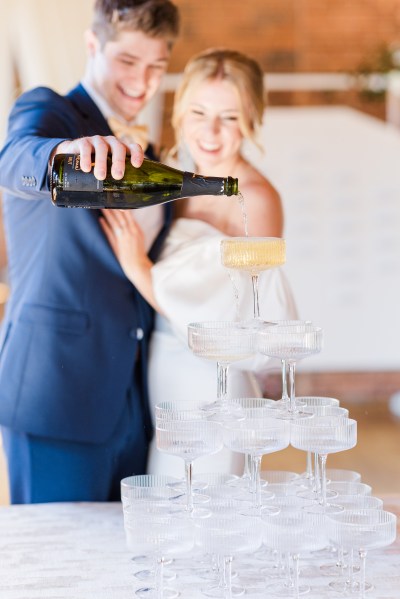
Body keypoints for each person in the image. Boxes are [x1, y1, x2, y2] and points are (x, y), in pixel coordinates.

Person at [0, 0, 180, 504]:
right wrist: (62, 155)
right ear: (92, 44)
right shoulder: (51, 112)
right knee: (57, 572)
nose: (142, 83)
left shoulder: (154, 158)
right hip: (56, 395)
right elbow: (13, 159)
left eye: (156, 68)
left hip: (133, 402)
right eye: (127, 62)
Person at [101, 48, 298, 478]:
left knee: (205, 507)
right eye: (198, 111)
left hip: (213, 387)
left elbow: (231, 327)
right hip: (163, 373)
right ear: (180, 112)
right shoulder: (173, 179)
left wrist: (139, 269)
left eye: (229, 117)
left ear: (251, 118)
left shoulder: (258, 200)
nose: (210, 130)